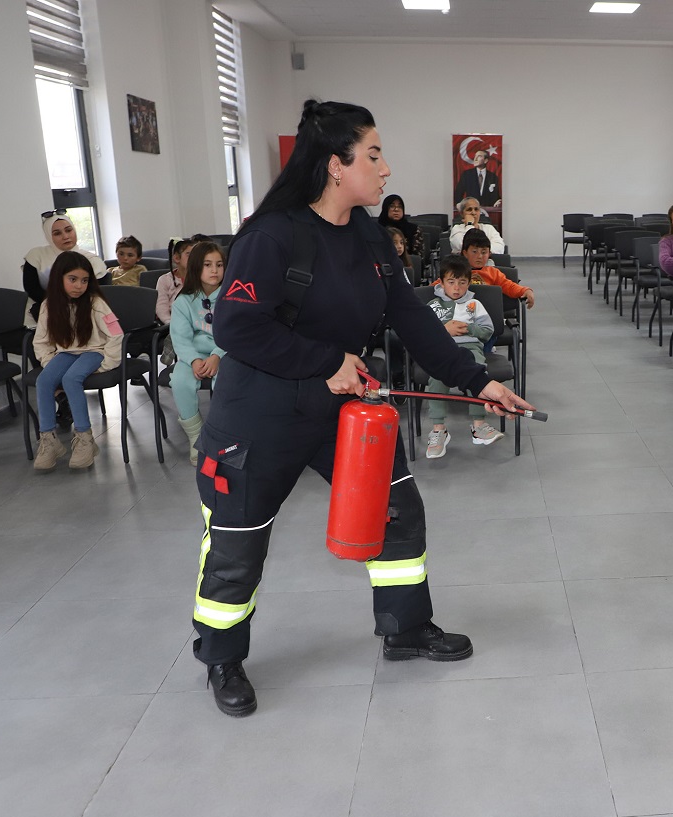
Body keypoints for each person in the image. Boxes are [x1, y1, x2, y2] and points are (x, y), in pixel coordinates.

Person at [191, 99, 531, 718]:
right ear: (333, 166)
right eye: (373, 154)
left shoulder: (370, 235)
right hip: (259, 416)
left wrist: (475, 381)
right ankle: (221, 655)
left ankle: (405, 628)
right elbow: (238, 330)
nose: (386, 168)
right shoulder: (271, 237)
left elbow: (408, 314)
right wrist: (326, 361)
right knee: (239, 538)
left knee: (395, 513)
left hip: (343, 411)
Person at [32, 251, 124, 471]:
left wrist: (107, 363)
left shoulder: (96, 302)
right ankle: (49, 439)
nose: (79, 285)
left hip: (95, 351)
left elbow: (116, 333)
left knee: (72, 379)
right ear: (58, 279)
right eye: (72, 279)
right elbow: (41, 341)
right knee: (44, 381)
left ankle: (84, 438)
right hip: (64, 354)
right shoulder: (48, 306)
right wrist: (48, 363)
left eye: (84, 280)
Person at [424, 255, 502, 458]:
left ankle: (479, 425)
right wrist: (444, 330)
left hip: (470, 348)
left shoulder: (474, 304)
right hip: (442, 350)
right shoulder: (433, 305)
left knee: (477, 373)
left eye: (462, 282)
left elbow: (488, 330)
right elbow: (422, 333)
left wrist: (470, 328)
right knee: (436, 378)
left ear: (469, 282)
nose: (457, 288)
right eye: (451, 282)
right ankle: (438, 429)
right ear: (441, 282)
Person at [169, 241, 227, 465]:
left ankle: (223, 437)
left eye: (219, 265)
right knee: (181, 381)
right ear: (195, 267)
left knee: (227, 380)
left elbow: (236, 332)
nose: (214, 270)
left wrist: (217, 356)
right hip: (192, 356)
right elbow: (180, 338)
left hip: (225, 353)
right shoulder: (184, 301)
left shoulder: (231, 296)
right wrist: (193, 360)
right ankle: (196, 438)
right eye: (207, 265)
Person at [23, 211, 107, 321]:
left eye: (68, 230)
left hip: (83, 310)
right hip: (45, 309)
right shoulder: (37, 255)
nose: (65, 236)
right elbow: (32, 288)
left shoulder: (91, 260)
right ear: (49, 236)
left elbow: (95, 291)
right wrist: (56, 305)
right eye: (57, 233)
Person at [155, 237, 197, 324]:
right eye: (189, 254)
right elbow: (161, 308)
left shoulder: (201, 278)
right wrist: (171, 324)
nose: (194, 258)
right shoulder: (164, 280)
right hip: (172, 324)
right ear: (177, 258)